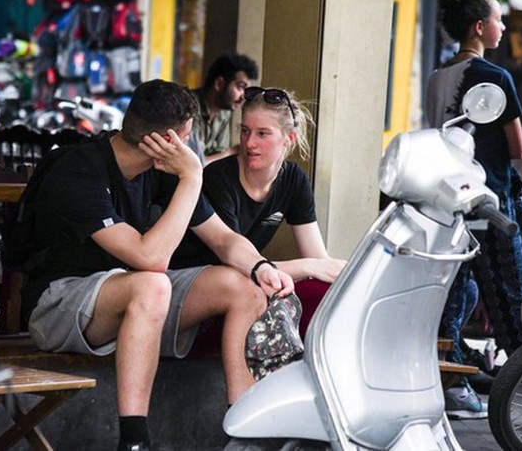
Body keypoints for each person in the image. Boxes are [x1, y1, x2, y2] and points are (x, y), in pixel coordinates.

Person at [21, 79, 294, 451]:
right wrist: (193, 174)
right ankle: (135, 442)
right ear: (173, 140)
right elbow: (151, 258)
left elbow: (223, 239)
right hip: (58, 305)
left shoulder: (163, 171)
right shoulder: (78, 170)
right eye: (188, 137)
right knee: (152, 282)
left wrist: (261, 267)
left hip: (135, 299)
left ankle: (243, 430)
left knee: (241, 286)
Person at [426, 0, 522, 419]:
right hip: (489, 205)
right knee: (515, 302)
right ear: (478, 27)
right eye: (497, 19)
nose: (503, 26)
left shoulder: (436, 78)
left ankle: (452, 387)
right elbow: (518, 149)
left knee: (454, 296)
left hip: (447, 206)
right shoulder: (495, 77)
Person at [174, 87, 346, 338]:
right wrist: (310, 266)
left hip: (249, 279)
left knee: (322, 291)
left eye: (262, 134)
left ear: (289, 138)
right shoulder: (219, 177)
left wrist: (323, 269)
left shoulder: (294, 179)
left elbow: (320, 261)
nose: (249, 143)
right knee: (250, 286)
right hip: (199, 289)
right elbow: (236, 264)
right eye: (245, 131)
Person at [188, 52, 259, 165]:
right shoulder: (188, 107)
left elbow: (220, 161)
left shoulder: (224, 113)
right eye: (240, 87)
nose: (243, 96)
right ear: (219, 84)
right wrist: (230, 153)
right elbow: (191, 165)